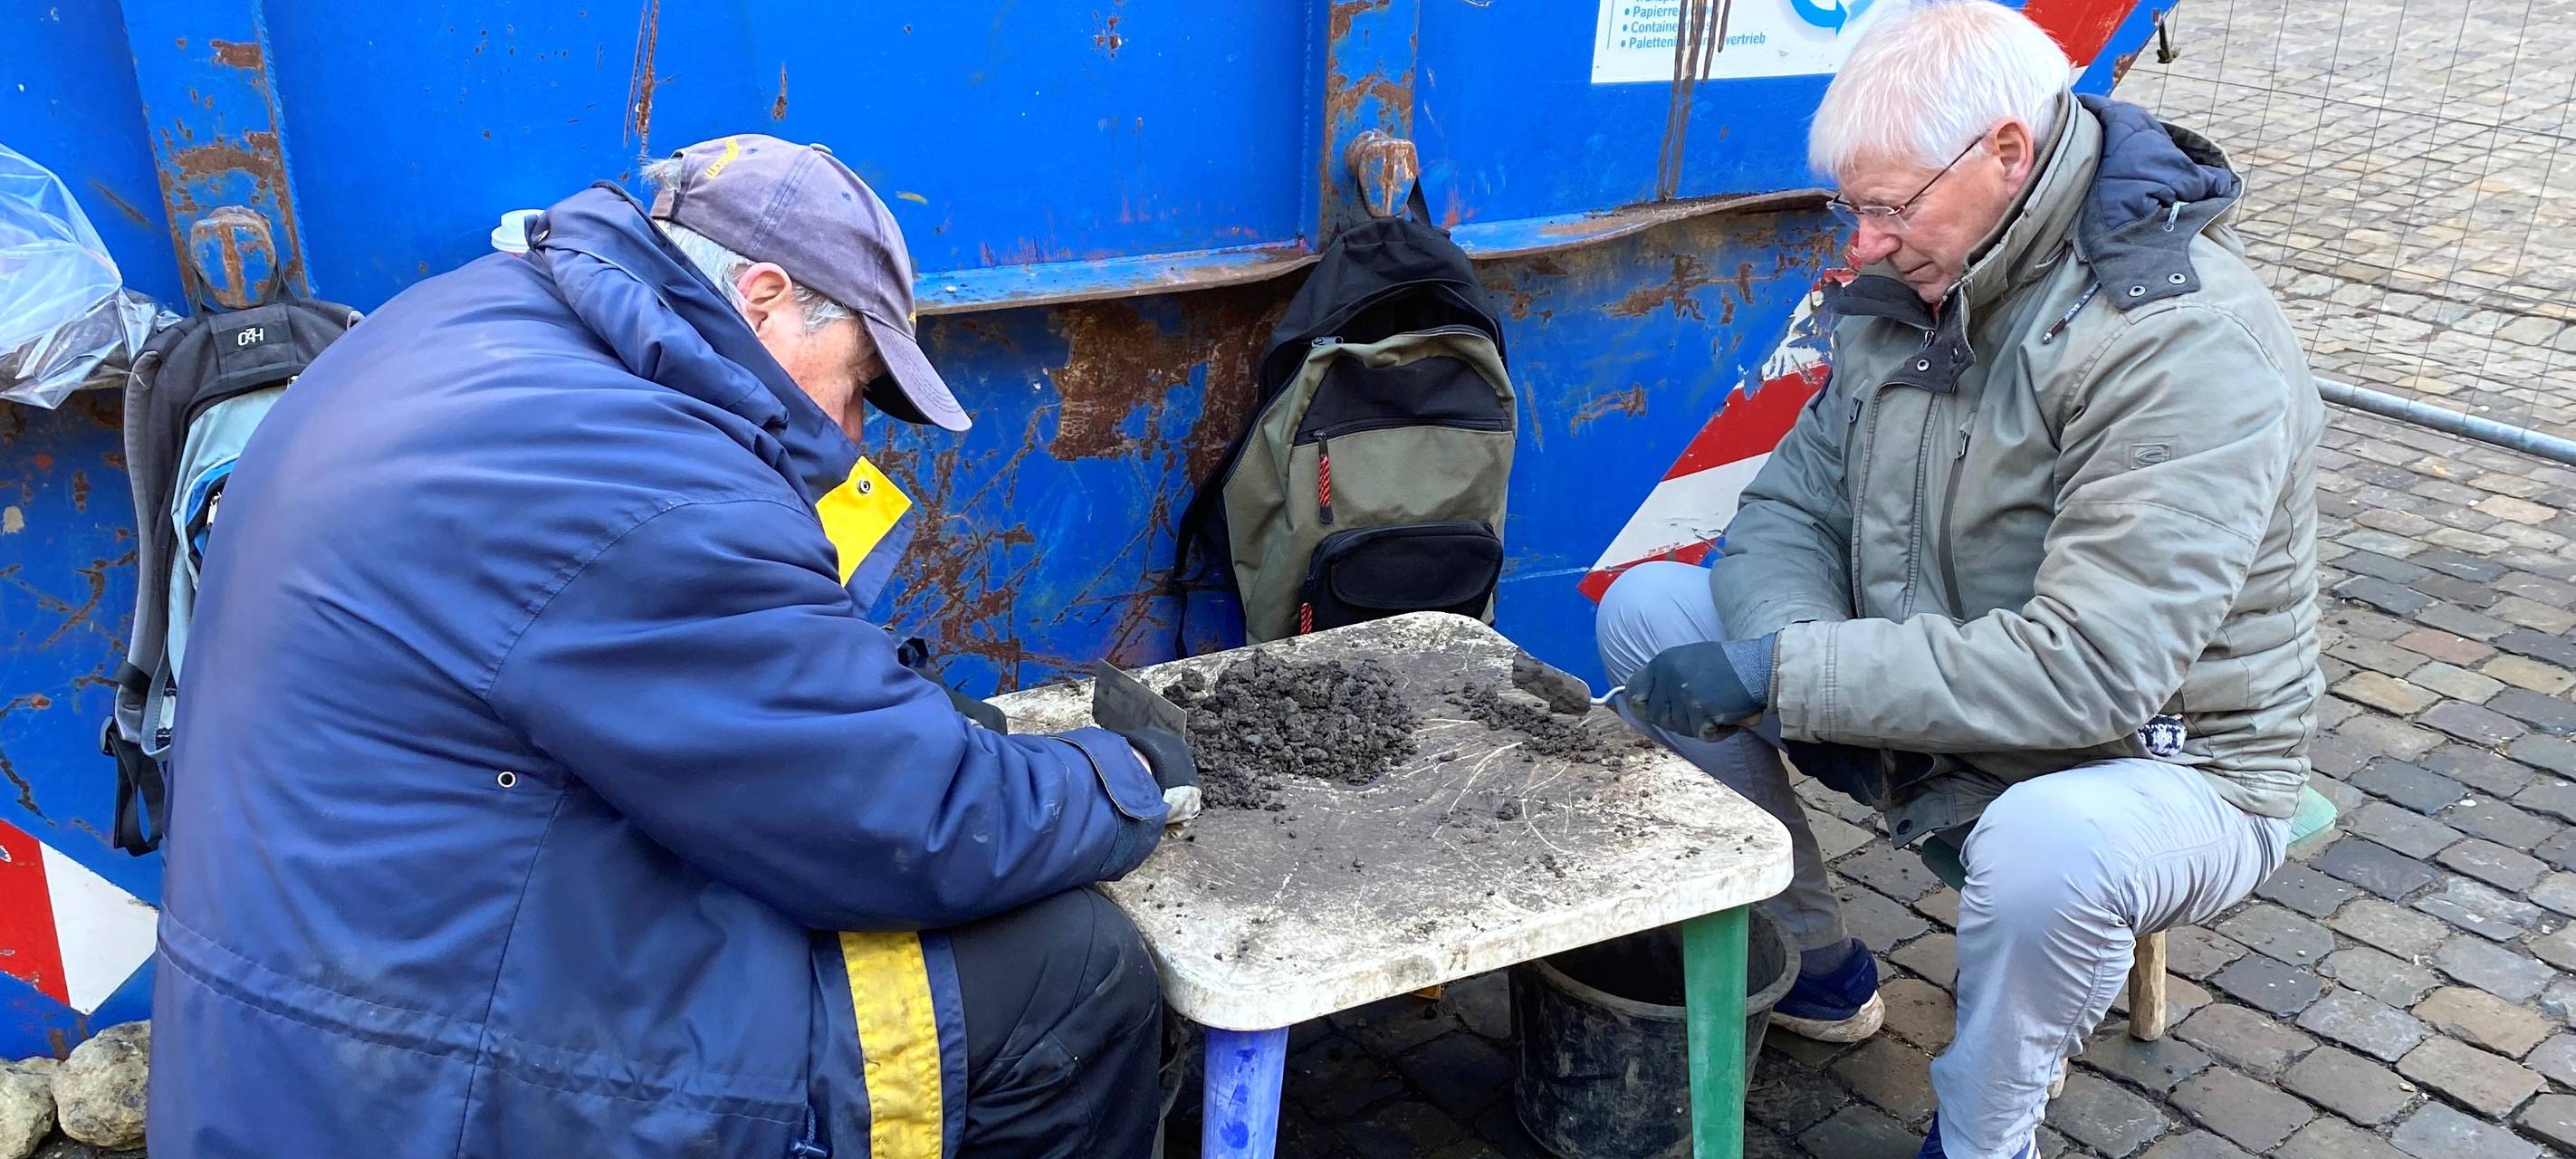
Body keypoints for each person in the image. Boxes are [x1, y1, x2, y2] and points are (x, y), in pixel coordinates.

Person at [149, 134, 1199, 1159]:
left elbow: (702, 675)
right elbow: (908, 826)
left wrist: (911, 715)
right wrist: (1124, 779)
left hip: (326, 997)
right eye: (858, 381)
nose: (854, 433)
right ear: (764, 297)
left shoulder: (479, 326)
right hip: (433, 1076)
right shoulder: (650, 481)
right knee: (1074, 974)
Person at [1595, 4, 2322, 1156]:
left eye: (1890, 207)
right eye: (1852, 207)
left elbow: (2095, 669)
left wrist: (1787, 670)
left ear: (2005, 152)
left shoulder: (2177, 339)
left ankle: (1983, 1133)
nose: (1863, 243)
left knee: (2048, 850)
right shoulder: (1924, 283)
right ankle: (1814, 964)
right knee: (1649, 610)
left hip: (2156, 757)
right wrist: (1789, 650)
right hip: (1945, 678)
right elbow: (1788, 507)